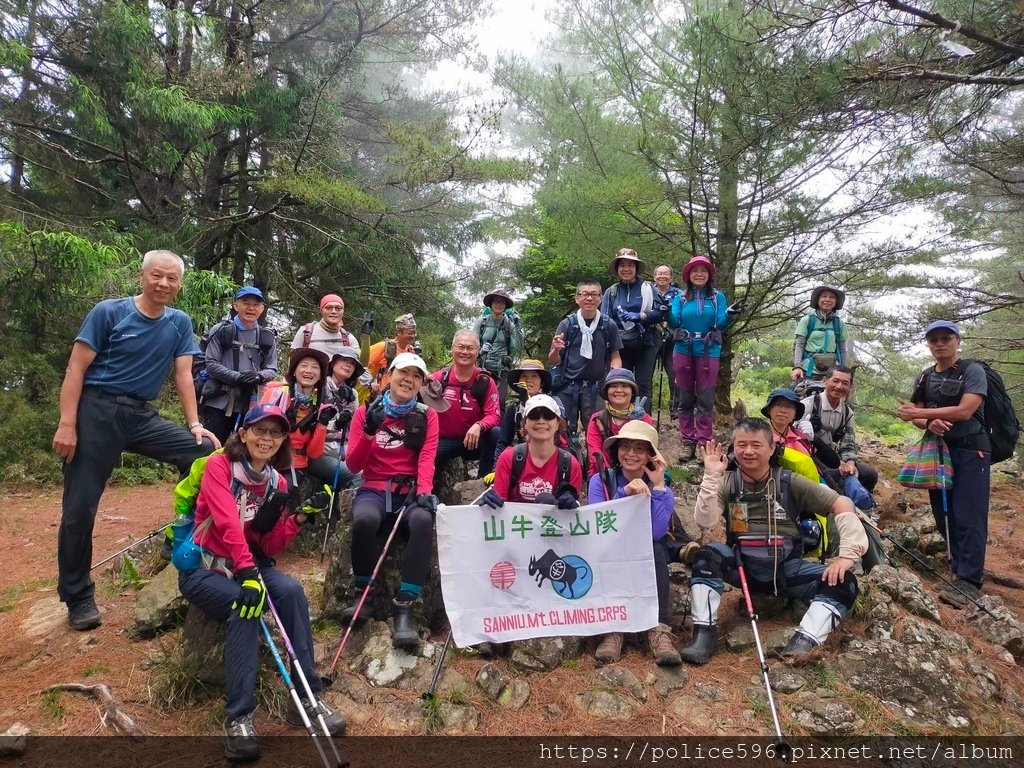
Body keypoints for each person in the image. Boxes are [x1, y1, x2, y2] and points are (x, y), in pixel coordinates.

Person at [53, 250, 219, 631]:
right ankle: (77, 596)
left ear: (179, 284)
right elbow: (75, 368)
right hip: (96, 412)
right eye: (157, 276)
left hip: (140, 414)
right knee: (79, 509)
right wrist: (67, 423)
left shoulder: (179, 323)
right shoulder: (109, 312)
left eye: (172, 278)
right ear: (143, 276)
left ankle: (179, 534)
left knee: (204, 452)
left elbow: (182, 376)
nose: (164, 284)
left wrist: (194, 423)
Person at [175, 404, 346, 760]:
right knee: (245, 604)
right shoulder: (218, 466)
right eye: (260, 430)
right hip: (204, 569)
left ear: (283, 440)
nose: (267, 438)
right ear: (243, 432)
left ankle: (306, 698)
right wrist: (248, 575)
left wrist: (298, 517)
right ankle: (239, 718)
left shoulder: (276, 482)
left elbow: (266, 545)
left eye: (275, 432)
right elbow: (224, 521)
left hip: (246, 565)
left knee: (292, 591)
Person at [680, 419, 867, 665]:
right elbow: (705, 521)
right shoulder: (727, 482)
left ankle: (804, 642)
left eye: (756, 445)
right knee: (706, 556)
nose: (748, 451)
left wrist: (846, 557)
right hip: (741, 569)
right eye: (742, 445)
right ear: (733, 449)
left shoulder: (790, 482)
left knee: (845, 583)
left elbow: (842, 503)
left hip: (788, 571)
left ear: (771, 448)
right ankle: (704, 634)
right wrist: (711, 478)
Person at [343, 353, 442, 648]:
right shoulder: (365, 412)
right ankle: (364, 594)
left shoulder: (427, 416)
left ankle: (405, 607)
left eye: (416, 375)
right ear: (390, 374)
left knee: (423, 521)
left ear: (422, 383)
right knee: (365, 520)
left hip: (408, 491)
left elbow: (427, 456)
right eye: (403, 372)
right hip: (373, 487)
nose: (408, 379)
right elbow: (353, 464)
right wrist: (370, 432)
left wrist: (424, 490)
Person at [897, 320, 990, 609]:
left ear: (957, 341)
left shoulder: (972, 371)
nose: (940, 344)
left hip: (972, 451)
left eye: (946, 338)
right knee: (943, 512)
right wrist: (929, 420)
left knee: (969, 514)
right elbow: (915, 414)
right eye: (934, 339)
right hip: (939, 450)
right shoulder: (925, 376)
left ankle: (970, 580)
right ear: (928, 343)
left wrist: (924, 413)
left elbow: (966, 409)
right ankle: (958, 569)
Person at [587, 421, 683, 667]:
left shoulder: (663, 490)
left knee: (656, 549)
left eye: (639, 449)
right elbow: (600, 524)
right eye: (625, 446)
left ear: (650, 456)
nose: (630, 454)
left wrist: (658, 487)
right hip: (609, 547)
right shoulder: (601, 481)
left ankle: (658, 629)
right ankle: (613, 629)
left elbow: (655, 531)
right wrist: (623, 495)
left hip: (645, 549)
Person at [667, 255, 740, 462]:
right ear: (688, 275)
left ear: (709, 275)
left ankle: (704, 443)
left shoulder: (717, 298)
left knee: (705, 400)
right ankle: (687, 441)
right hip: (683, 349)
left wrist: (729, 314)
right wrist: (665, 313)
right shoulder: (680, 298)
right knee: (685, 398)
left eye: (704, 270)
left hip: (709, 351)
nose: (699, 274)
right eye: (695, 270)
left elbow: (720, 323)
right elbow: (675, 320)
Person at [200, 286, 279, 444]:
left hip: (250, 404)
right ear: (236, 305)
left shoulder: (267, 337)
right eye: (246, 303)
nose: (251, 308)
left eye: (256, 304)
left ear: (262, 308)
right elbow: (211, 363)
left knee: (244, 451)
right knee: (211, 448)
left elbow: (272, 368)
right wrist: (238, 378)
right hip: (219, 402)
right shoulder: (222, 330)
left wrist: (258, 376)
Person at [549, 279, 623, 437]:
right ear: (577, 298)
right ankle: (569, 461)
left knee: (598, 431)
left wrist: (615, 375)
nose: (589, 298)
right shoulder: (568, 324)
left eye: (594, 294)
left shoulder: (608, 325)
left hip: (596, 387)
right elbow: (554, 361)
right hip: (567, 387)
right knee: (562, 431)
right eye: (585, 294)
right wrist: (556, 350)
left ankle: (596, 461)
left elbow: (615, 357)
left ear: (601, 298)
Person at [432, 330, 502, 480]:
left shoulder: (485, 381)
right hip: (444, 440)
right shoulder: (439, 378)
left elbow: (494, 415)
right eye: (460, 347)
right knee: (426, 451)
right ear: (452, 349)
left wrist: (479, 425)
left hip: (474, 442)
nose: (465, 352)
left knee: (495, 433)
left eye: (470, 348)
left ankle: (483, 482)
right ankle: (426, 491)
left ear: (478, 352)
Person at [600, 248, 664, 412]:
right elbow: (605, 320)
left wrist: (641, 316)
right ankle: (621, 420)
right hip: (620, 346)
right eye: (622, 265)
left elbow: (661, 312)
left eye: (630, 265)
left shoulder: (648, 288)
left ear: (636, 268)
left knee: (643, 384)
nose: (626, 269)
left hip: (646, 343)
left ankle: (643, 423)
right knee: (621, 383)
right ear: (617, 269)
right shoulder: (611, 292)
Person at [797, 366, 878, 493]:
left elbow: (848, 443)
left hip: (833, 458)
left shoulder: (847, 413)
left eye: (845, 383)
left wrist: (849, 462)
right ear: (825, 381)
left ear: (850, 387)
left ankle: (861, 504)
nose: (839, 386)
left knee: (868, 475)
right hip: (809, 456)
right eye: (835, 381)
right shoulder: (807, 405)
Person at [493, 359, 570, 462]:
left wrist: (529, 402)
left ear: (542, 382)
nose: (529, 380)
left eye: (534, 376)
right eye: (524, 376)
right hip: (523, 459)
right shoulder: (514, 409)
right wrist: (496, 469)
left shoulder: (554, 403)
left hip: (552, 457)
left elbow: (560, 430)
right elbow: (503, 441)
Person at [586, 369, 654, 472]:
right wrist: (612, 476)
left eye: (625, 386)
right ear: (606, 391)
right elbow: (595, 454)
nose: (619, 390)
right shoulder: (597, 419)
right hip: (602, 472)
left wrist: (637, 424)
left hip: (635, 472)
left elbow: (646, 453)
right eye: (613, 386)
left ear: (632, 392)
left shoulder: (644, 419)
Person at [319, 347, 364, 488]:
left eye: (352, 363)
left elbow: (354, 426)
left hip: (344, 449)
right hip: (321, 449)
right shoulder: (320, 386)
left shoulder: (353, 394)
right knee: (360, 475)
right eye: (344, 360)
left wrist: (350, 402)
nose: (348, 365)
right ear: (333, 363)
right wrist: (336, 424)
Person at [792, 285, 850, 388]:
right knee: (803, 399)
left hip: (832, 373)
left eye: (832, 297)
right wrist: (797, 367)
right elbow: (799, 345)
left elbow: (842, 349)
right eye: (824, 296)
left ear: (836, 302)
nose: (827, 300)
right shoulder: (807, 320)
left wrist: (845, 372)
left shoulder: (839, 324)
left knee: (830, 402)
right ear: (818, 300)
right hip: (808, 371)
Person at [473, 289, 524, 402]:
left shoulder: (509, 324)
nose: (498, 304)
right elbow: (473, 345)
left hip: (502, 368)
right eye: (496, 301)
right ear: (491, 303)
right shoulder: (482, 322)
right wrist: (481, 351)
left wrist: (517, 327)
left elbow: (519, 347)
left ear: (506, 306)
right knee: (479, 400)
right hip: (482, 366)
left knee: (499, 401)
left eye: (502, 302)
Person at [291, 293, 360, 358]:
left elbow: (363, 363)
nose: (334, 311)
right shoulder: (305, 332)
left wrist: (365, 337)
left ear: (343, 312)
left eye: (338, 308)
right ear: (321, 310)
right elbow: (292, 361)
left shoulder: (349, 338)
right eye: (328, 308)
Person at [653, 265, 682, 416]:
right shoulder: (647, 291)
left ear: (671, 277)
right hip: (651, 336)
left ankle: (675, 407)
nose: (662, 276)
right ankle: (643, 406)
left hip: (672, 338)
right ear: (654, 277)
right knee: (645, 374)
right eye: (659, 274)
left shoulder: (680, 294)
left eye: (665, 274)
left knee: (674, 372)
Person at [367, 313, 418, 393]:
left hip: (402, 396)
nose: (413, 336)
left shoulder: (411, 352)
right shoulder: (383, 347)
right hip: (381, 398)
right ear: (399, 332)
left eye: (414, 333)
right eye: (410, 333)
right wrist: (370, 382)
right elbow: (361, 364)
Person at [762, 387, 814, 456]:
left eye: (789, 406)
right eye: (778, 405)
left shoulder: (801, 438)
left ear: (795, 414)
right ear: (769, 409)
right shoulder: (761, 437)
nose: (783, 410)